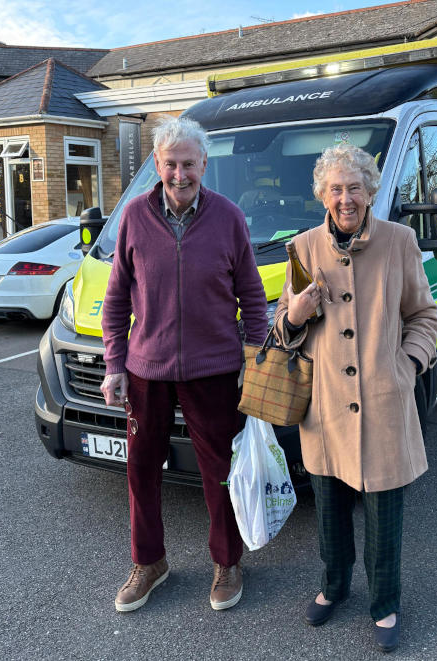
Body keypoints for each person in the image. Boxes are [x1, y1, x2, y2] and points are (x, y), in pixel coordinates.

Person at [274, 143, 437, 652]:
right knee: (328, 513)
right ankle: (334, 586)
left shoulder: (399, 241)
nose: (345, 198)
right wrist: (297, 313)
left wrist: (407, 364)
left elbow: (424, 316)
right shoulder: (302, 248)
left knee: (384, 518)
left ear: (371, 191)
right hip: (324, 408)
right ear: (323, 195)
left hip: (384, 403)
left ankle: (385, 603)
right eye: (335, 189)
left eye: (355, 187)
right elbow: (283, 332)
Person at [100, 116, 268, 613]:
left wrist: (253, 356)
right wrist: (114, 364)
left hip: (214, 369)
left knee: (220, 473)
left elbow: (253, 298)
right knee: (141, 471)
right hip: (145, 369)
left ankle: (227, 562)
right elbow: (115, 302)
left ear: (204, 165)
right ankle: (149, 563)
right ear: (157, 163)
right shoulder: (132, 217)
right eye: (170, 163)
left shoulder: (229, 217)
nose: (179, 174)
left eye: (189, 164)